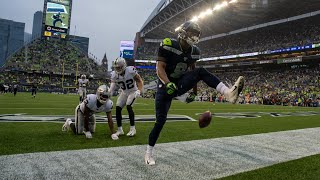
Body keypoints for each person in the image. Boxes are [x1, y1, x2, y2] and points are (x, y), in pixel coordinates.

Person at [144, 21, 245, 165]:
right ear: (183, 32)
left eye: (197, 34)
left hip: (179, 84)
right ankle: (148, 153)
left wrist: (194, 92)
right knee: (160, 121)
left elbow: (193, 71)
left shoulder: (194, 51)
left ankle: (228, 93)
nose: (194, 36)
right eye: (192, 33)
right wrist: (167, 83)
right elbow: (159, 68)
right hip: (164, 86)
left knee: (201, 71)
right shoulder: (168, 44)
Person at [109, 57, 144, 137]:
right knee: (118, 108)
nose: (117, 69)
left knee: (129, 106)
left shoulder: (130, 70)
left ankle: (132, 129)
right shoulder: (114, 74)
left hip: (133, 91)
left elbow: (139, 80)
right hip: (124, 92)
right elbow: (112, 85)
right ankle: (120, 129)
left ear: (124, 65)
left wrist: (139, 90)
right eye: (116, 67)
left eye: (119, 67)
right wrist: (109, 92)